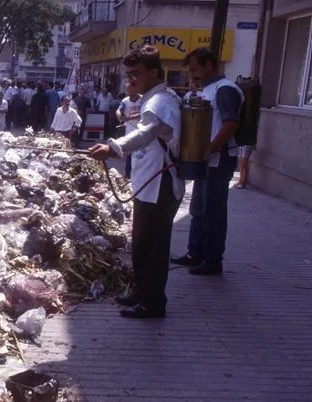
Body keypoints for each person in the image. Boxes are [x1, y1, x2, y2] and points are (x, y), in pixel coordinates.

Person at [89, 45, 184, 319]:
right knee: (142, 244)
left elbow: (147, 132)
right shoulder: (149, 98)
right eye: (128, 74)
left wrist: (113, 148)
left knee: (154, 246)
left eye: (136, 74)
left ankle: (154, 303)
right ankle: (142, 292)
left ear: (154, 72)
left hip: (161, 184)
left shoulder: (161, 102)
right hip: (147, 184)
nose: (130, 80)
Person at [172, 47, 244, 276]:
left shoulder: (225, 90)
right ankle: (195, 253)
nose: (191, 74)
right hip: (206, 160)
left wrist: (208, 149)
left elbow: (230, 123)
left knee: (213, 211)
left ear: (209, 65)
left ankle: (212, 260)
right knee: (198, 208)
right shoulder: (209, 89)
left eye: (194, 69)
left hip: (218, 161)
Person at [117, 87, 142, 178]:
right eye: (129, 93)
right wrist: (121, 116)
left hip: (141, 130)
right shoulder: (125, 101)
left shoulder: (143, 99)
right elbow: (120, 110)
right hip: (129, 131)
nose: (131, 95)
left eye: (133, 92)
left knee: (140, 154)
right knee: (129, 154)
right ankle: (128, 175)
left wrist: (131, 117)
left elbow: (143, 112)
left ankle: (138, 174)